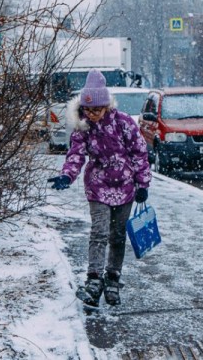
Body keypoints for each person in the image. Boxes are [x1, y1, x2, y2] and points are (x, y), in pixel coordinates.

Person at [47, 69, 151, 307]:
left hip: (125, 188)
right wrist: (67, 175)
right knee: (99, 233)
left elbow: (139, 153)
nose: (92, 114)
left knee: (117, 236)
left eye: (97, 109)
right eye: (87, 109)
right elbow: (76, 154)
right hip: (98, 187)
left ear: (107, 106)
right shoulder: (83, 128)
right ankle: (93, 280)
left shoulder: (124, 123)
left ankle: (112, 279)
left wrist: (143, 183)